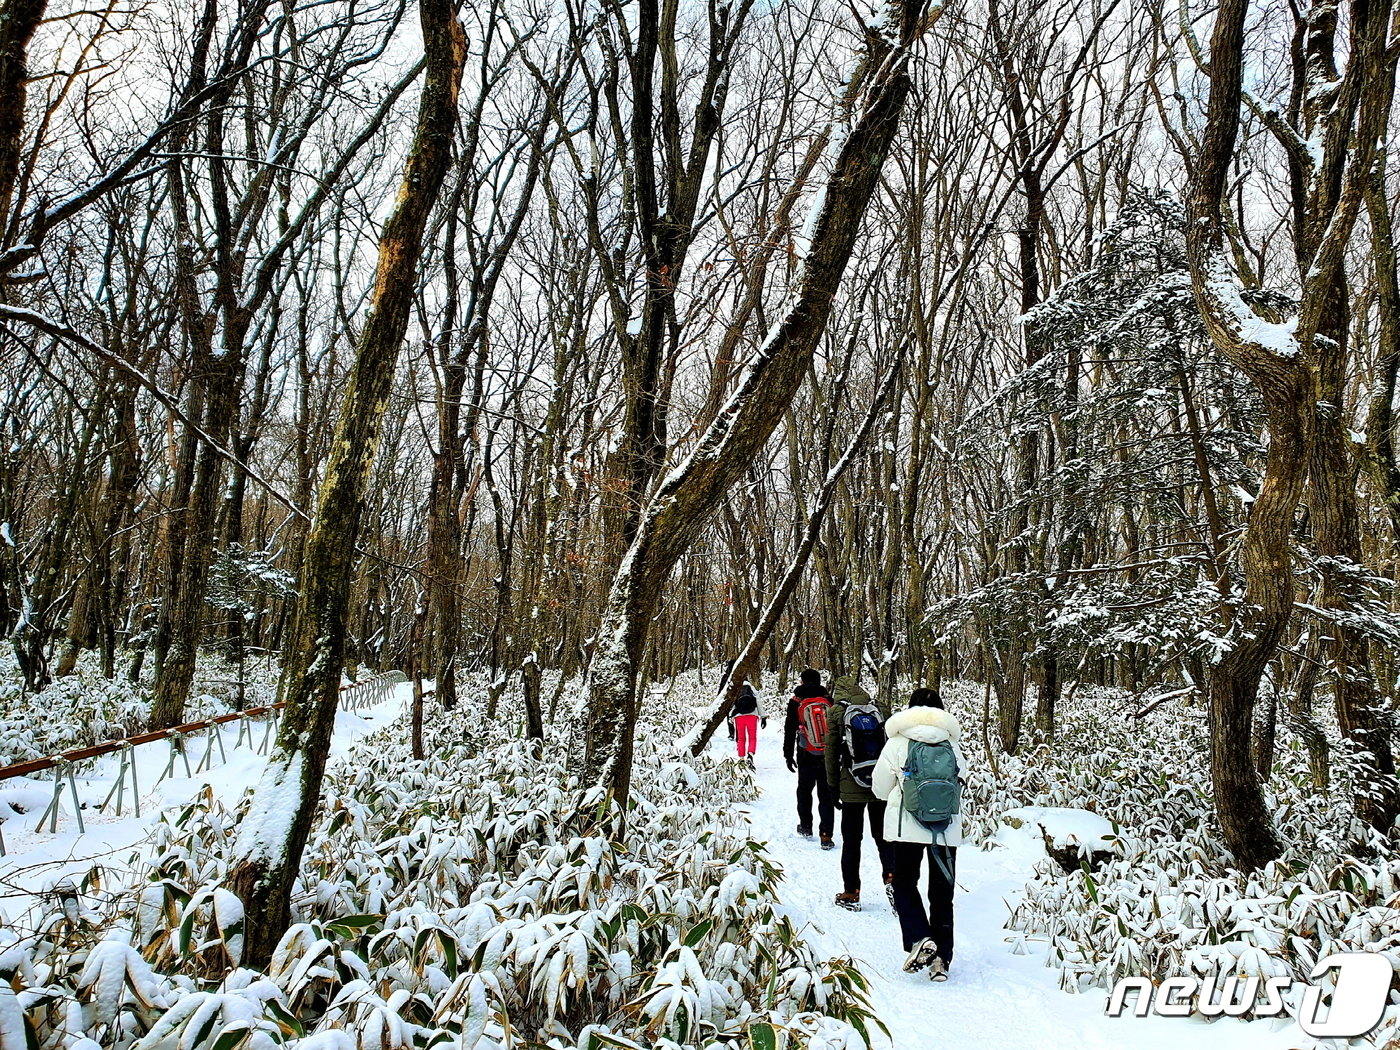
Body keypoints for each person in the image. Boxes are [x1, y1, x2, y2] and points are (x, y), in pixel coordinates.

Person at [872, 687, 964, 982]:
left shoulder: (898, 741)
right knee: (942, 893)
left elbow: (879, 787)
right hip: (945, 830)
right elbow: (963, 778)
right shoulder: (952, 743)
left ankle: (920, 938)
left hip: (906, 828)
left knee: (904, 883)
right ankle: (941, 961)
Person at [824, 674, 895, 911]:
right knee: (883, 837)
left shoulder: (836, 712)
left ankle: (851, 892)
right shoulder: (880, 708)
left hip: (850, 785)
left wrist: (833, 787)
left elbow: (831, 753)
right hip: (879, 784)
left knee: (852, 840)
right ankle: (893, 880)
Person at [783, 668, 837, 848]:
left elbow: (790, 729)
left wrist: (788, 754)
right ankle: (826, 835)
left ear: (802, 682)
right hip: (828, 753)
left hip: (806, 752)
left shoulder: (797, 701)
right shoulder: (828, 700)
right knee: (826, 794)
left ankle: (806, 826)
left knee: (804, 790)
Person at [726, 682, 767, 765]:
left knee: (741, 738)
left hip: (739, 716)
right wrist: (763, 716)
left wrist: (731, 717)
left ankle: (741, 758)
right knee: (752, 737)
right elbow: (758, 701)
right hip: (752, 715)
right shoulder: (751, 688)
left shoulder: (736, 688)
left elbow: (732, 703)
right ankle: (750, 754)